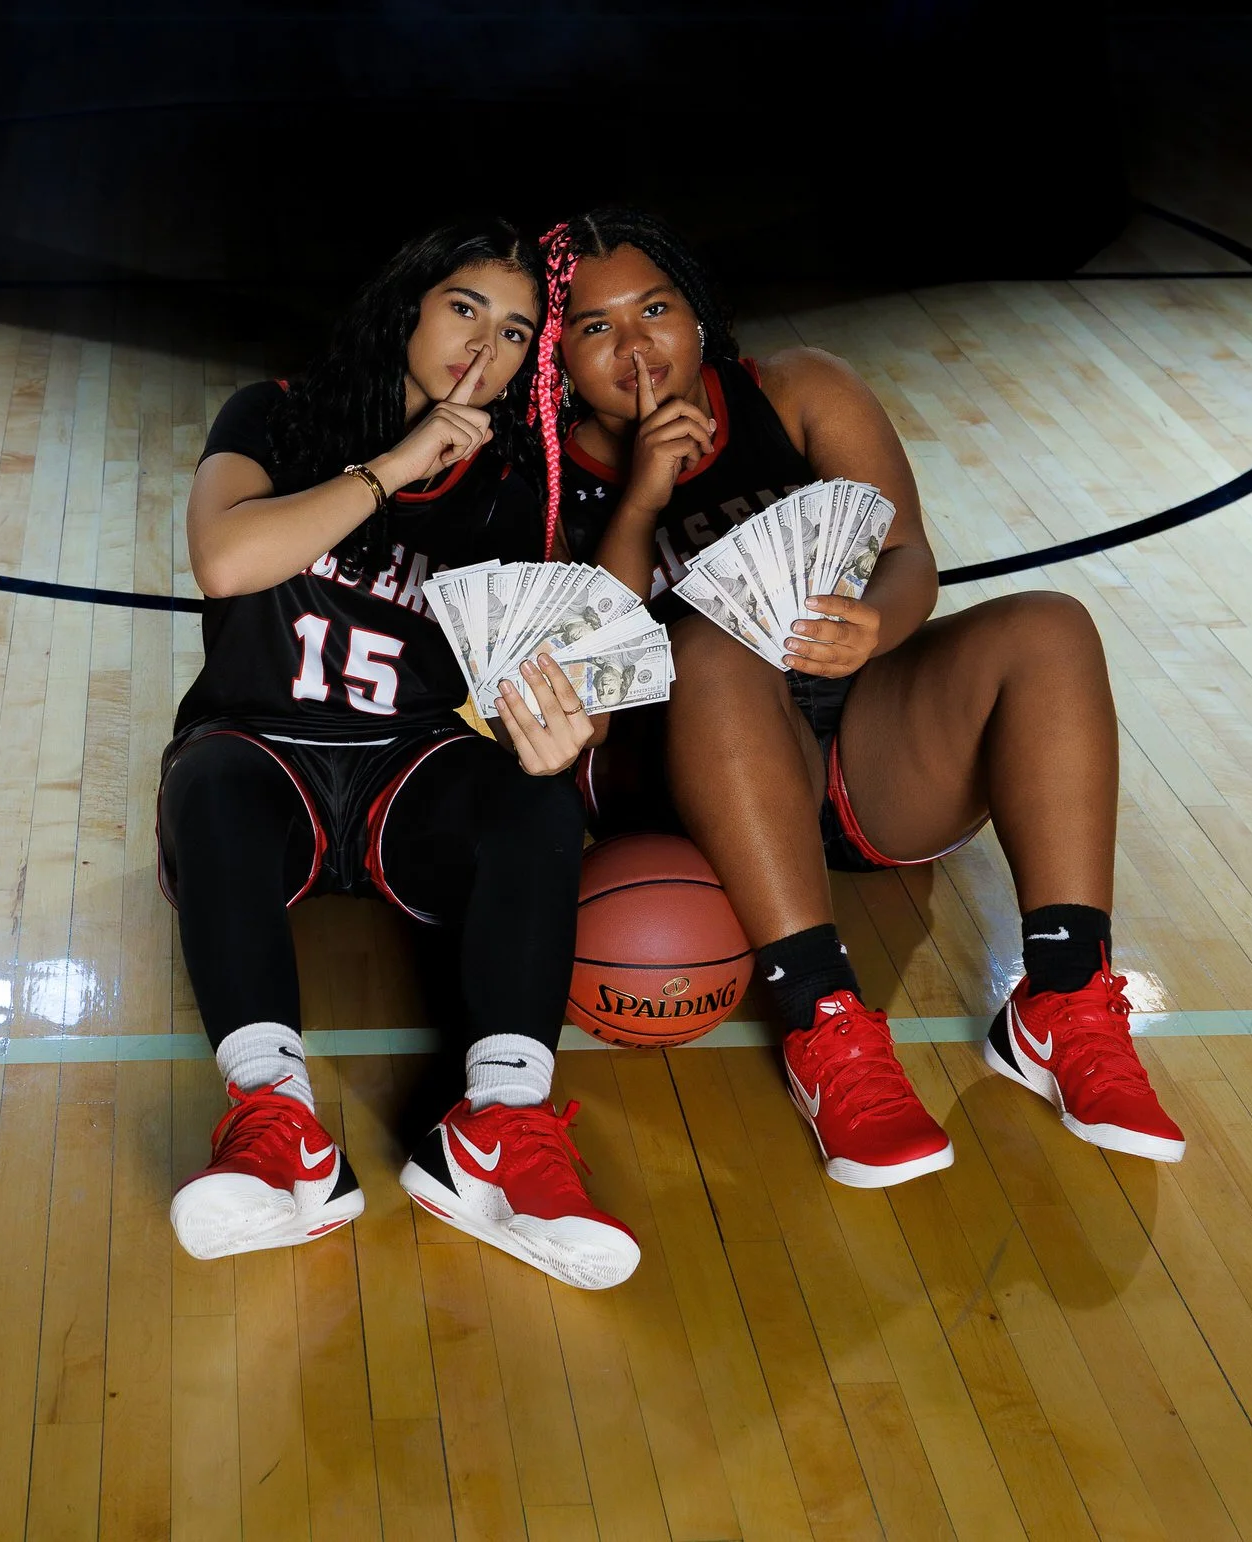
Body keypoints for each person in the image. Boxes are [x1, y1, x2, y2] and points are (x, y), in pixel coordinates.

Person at [531, 207, 1185, 1188]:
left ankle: (1059, 998)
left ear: (695, 311)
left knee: (1046, 624)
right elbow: (592, 667)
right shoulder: (537, 471)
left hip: (858, 746)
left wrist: (875, 621)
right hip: (685, 778)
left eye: (654, 308)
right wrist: (639, 500)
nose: (634, 345)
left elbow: (907, 556)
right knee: (712, 642)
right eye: (593, 327)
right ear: (553, 357)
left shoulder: (796, 392)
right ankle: (821, 1020)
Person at [162, 219, 640, 1289]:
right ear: (408, 309)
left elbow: (567, 668)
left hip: (408, 773)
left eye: (518, 332)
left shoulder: (518, 492)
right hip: (261, 751)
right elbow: (226, 558)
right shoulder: (273, 417)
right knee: (209, 780)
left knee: (538, 791)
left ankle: (498, 1134)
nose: (486, 345)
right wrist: (394, 465)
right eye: (464, 308)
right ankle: (275, 1124)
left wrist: (571, 727)